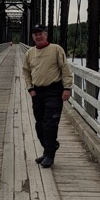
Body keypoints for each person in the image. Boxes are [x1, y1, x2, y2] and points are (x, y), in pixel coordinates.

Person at [22, 24, 72, 168]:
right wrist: (30, 88)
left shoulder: (56, 49)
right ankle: (49, 148)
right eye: (35, 34)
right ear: (33, 37)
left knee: (50, 124)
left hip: (54, 91)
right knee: (40, 125)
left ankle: (50, 155)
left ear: (46, 35)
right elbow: (26, 71)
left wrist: (67, 88)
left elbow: (65, 70)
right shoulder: (30, 53)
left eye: (40, 34)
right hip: (37, 92)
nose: (38, 36)